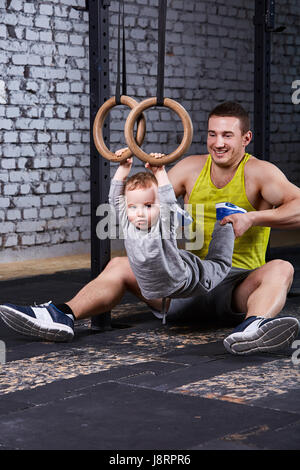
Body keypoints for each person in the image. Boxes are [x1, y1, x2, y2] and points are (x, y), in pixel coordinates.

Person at [0, 101, 299, 355]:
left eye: (227, 135)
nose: (218, 143)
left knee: (281, 268)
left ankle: (253, 327)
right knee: (119, 265)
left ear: (245, 138)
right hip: (184, 288)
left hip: (235, 289)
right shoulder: (193, 168)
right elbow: (144, 198)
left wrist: (253, 218)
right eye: (212, 134)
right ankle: (60, 315)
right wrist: (131, 166)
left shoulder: (260, 172)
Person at [108, 156, 237, 324]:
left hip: (186, 280)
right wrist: (123, 168)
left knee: (220, 264)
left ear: (159, 207)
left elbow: (167, 200)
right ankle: (179, 217)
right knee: (175, 252)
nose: (139, 213)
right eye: (133, 207)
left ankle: (225, 221)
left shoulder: (162, 225)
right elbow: (114, 199)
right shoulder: (128, 223)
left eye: (147, 206)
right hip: (157, 284)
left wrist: (160, 171)